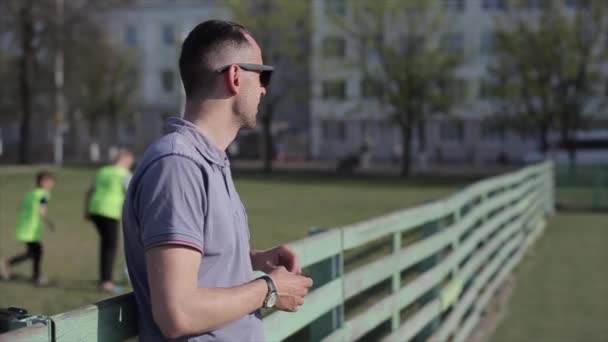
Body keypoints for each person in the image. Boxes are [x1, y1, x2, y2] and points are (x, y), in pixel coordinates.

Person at [122, 20, 313, 341]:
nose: (265, 88)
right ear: (235, 76)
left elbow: (196, 260)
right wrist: (269, 289)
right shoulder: (178, 166)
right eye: (262, 75)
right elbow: (177, 314)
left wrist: (250, 259)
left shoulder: (208, 161)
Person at [85, 149, 134, 293]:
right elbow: (132, 194)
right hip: (110, 211)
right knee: (110, 247)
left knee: (106, 244)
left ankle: (105, 278)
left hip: (95, 209)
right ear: (124, 160)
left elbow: (89, 191)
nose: (130, 165)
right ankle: (106, 281)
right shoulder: (124, 174)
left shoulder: (103, 171)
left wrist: (86, 210)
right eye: (130, 162)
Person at [0, 171, 55, 286]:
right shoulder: (44, 194)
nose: (52, 184)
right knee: (35, 252)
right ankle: (7, 263)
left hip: (24, 226)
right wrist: (49, 223)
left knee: (35, 252)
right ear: (43, 182)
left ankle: (36, 276)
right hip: (32, 228)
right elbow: (42, 211)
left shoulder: (30, 194)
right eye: (50, 182)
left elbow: (22, 209)